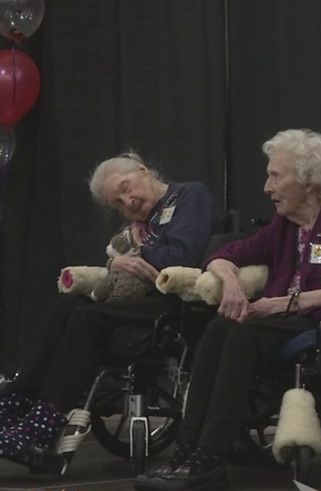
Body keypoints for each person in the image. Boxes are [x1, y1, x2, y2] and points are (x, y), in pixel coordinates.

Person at [133, 128, 321, 491]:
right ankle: (187, 449)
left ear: (309, 180)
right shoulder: (284, 225)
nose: (267, 188)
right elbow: (223, 254)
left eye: (275, 177)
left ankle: (210, 454)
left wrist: (285, 303)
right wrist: (232, 283)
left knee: (242, 334)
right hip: (283, 319)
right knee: (219, 327)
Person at [0, 152, 219, 463]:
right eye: (118, 203)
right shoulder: (141, 223)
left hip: (177, 302)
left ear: (143, 170)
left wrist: (137, 252)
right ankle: (18, 399)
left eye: (127, 188)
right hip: (142, 300)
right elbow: (123, 262)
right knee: (68, 305)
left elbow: (181, 256)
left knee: (85, 316)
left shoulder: (189, 195)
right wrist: (117, 262)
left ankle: (43, 424)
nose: (128, 202)